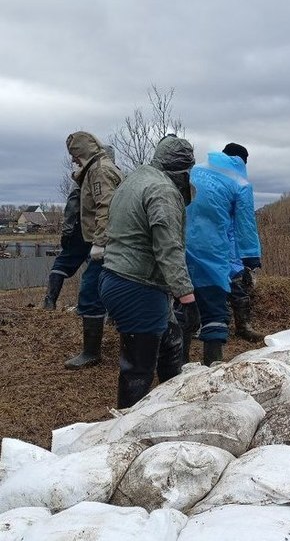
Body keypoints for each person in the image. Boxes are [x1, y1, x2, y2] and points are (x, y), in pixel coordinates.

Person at [99, 135, 201, 409]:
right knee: (138, 368)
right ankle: (127, 431)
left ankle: (173, 407)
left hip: (115, 277)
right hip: (136, 285)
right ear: (182, 171)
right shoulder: (163, 191)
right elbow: (168, 247)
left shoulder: (136, 179)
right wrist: (186, 296)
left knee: (171, 342)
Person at [185, 142, 262, 365]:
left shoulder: (195, 170)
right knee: (215, 309)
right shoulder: (240, 183)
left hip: (180, 246)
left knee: (182, 303)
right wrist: (251, 256)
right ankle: (212, 366)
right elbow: (246, 223)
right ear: (242, 162)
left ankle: (175, 367)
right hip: (214, 250)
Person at [63, 133, 123, 370]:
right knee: (113, 291)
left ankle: (91, 352)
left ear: (80, 153)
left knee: (90, 292)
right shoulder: (102, 167)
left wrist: (100, 242)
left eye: (74, 155)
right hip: (115, 243)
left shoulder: (99, 171)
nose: (73, 161)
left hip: (108, 244)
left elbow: (105, 207)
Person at [43, 146, 117, 311]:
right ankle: (92, 308)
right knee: (100, 267)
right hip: (96, 229)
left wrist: (68, 229)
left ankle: (54, 302)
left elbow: (73, 203)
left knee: (70, 263)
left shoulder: (88, 176)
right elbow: (74, 202)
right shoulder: (107, 175)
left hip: (86, 228)